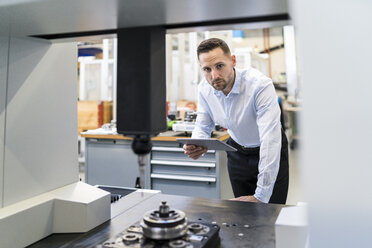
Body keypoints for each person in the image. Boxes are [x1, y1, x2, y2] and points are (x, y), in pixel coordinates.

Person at [183, 38, 289, 204]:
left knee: (271, 213)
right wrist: (197, 144)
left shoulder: (259, 86)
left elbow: (270, 140)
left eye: (219, 66)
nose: (214, 76)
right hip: (237, 152)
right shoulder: (204, 89)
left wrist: (260, 196)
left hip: (268, 150)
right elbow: (203, 125)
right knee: (242, 213)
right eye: (207, 69)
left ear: (232, 61)